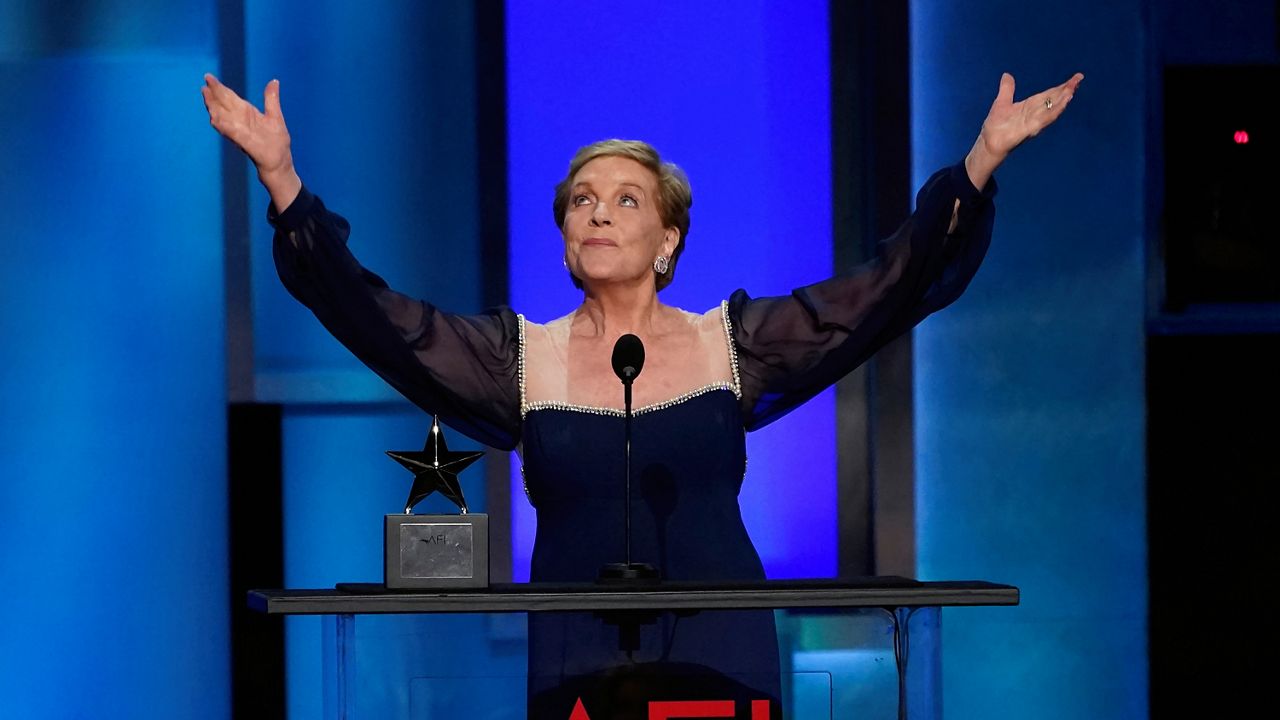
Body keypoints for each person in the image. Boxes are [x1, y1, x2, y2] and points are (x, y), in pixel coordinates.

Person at [202, 69, 1082, 719]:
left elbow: (883, 288)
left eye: (626, 200)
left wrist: (977, 163)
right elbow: (379, 320)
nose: (598, 213)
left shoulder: (730, 344)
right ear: (562, 239)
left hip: (719, 651)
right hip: (576, 658)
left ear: (667, 240)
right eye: (581, 200)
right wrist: (284, 182)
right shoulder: (522, 358)